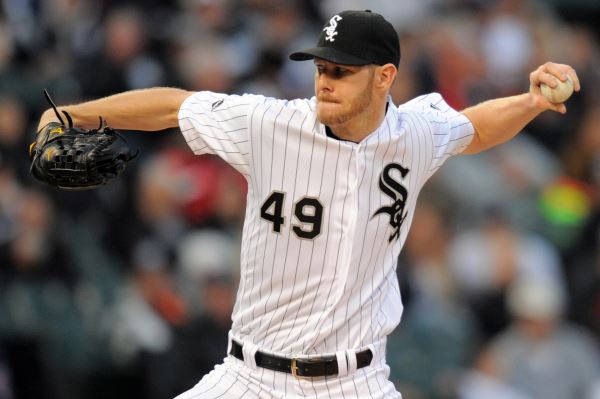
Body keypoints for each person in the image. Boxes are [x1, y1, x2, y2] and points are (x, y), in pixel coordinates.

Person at [36, 9, 580, 399]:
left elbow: (476, 128)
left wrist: (530, 101)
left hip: (357, 381)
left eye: (341, 71)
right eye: (322, 67)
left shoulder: (415, 133)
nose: (325, 81)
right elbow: (174, 106)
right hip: (250, 376)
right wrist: (75, 116)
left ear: (385, 77)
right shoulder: (269, 125)